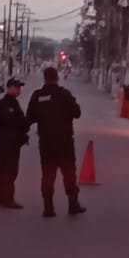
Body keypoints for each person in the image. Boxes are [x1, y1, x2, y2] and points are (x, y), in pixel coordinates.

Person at [25, 66, 86, 218]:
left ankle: (48, 208)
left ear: (44, 78)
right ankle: (73, 204)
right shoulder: (64, 94)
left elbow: (30, 118)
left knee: (47, 174)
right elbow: (77, 113)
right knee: (69, 173)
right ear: (57, 77)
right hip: (65, 142)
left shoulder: (38, 95)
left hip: (46, 143)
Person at [0, 78, 29, 209]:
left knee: (3, 168)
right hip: (9, 141)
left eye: (20, 87)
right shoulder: (8, 104)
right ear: (10, 88)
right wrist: (24, 125)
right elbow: (12, 122)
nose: (19, 90)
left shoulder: (12, 102)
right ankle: (7, 199)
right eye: (17, 87)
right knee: (10, 170)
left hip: (8, 140)